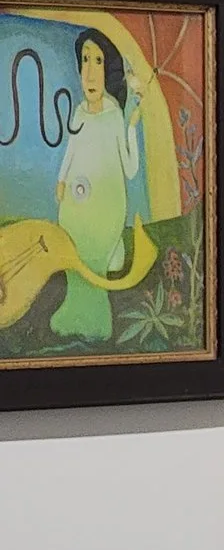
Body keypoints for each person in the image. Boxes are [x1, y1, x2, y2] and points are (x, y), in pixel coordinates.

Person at [54, 29, 146, 340]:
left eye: (98, 61)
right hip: (74, 205)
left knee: (94, 261)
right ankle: (72, 316)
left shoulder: (114, 115)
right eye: (85, 60)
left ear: (109, 70)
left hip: (106, 208)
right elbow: (71, 151)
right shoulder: (79, 112)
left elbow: (130, 169)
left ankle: (96, 324)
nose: (90, 72)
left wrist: (132, 127)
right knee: (74, 258)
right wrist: (61, 179)